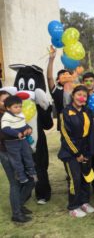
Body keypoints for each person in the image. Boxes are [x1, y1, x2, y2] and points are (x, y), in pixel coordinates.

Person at [58, 85, 94, 218]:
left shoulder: (87, 111)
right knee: (75, 179)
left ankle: (84, 202)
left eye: (84, 95)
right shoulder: (65, 112)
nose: (81, 97)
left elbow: (91, 133)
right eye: (79, 94)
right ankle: (73, 206)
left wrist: (89, 152)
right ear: (73, 95)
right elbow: (66, 137)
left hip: (85, 151)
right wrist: (77, 154)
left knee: (86, 177)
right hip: (70, 153)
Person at [0, 91, 35, 223]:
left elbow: (23, 124)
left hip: (21, 148)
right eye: (3, 100)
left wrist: (28, 128)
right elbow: (5, 133)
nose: (5, 102)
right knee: (15, 183)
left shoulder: (17, 114)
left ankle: (18, 205)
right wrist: (19, 133)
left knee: (30, 179)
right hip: (7, 153)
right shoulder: (3, 117)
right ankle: (16, 213)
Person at [1, 96, 36, 183]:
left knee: (27, 155)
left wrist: (28, 128)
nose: (19, 109)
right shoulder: (6, 117)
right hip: (12, 143)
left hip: (23, 140)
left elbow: (24, 124)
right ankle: (21, 176)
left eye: (20, 106)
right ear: (8, 108)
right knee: (17, 160)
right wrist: (16, 134)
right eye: (16, 107)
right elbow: (5, 129)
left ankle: (31, 171)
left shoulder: (20, 114)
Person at [46, 46, 72, 131]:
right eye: (62, 75)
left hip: (78, 124)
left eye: (67, 74)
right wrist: (51, 59)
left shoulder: (77, 91)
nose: (65, 75)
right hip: (64, 126)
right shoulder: (57, 93)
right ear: (58, 80)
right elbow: (49, 77)